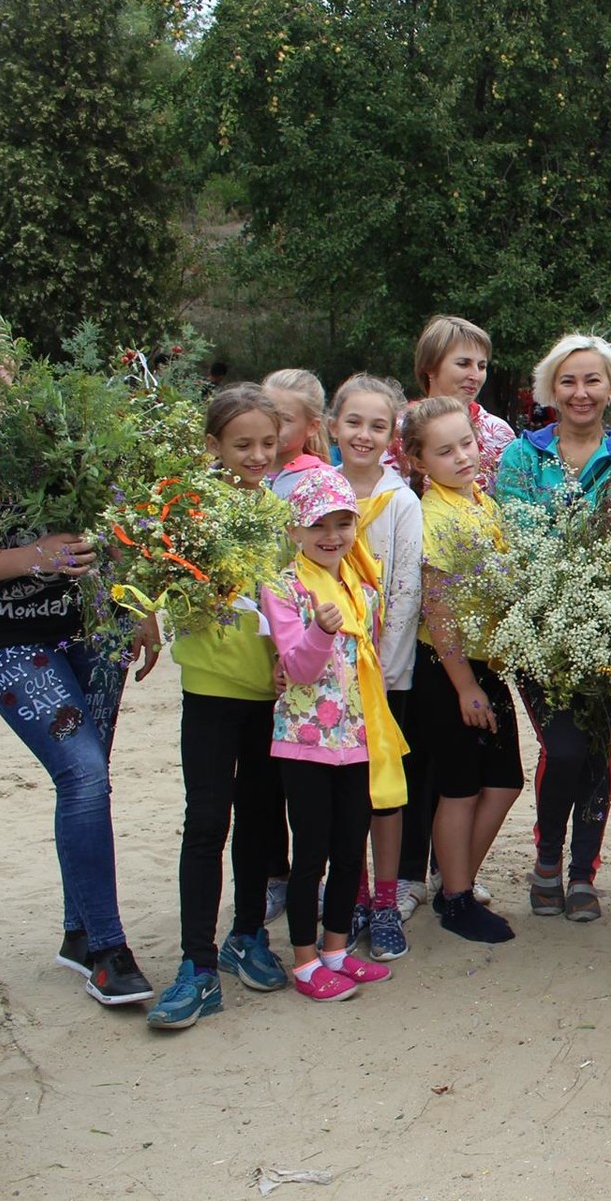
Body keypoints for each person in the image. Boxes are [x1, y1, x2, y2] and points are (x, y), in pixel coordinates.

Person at [0, 301, 157, 1007]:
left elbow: (112, 519)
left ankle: (80, 934)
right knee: (82, 775)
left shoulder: (60, 425)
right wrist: (30, 556)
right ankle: (108, 948)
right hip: (8, 639)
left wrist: (135, 607)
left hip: (93, 627)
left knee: (89, 779)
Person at [145, 386, 294, 1028]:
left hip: (270, 696)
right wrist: (143, 619)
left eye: (268, 443)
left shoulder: (278, 512)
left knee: (262, 823)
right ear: (213, 447)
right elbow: (146, 571)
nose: (258, 455)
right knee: (206, 823)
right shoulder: (184, 509)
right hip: (208, 693)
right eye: (243, 445)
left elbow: (291, 593)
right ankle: (196, 965)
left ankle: (248, 936)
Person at [496, 334, 611, 923]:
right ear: (549, 390)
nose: (581, 392)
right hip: (538, 627)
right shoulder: (520, 457)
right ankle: (545, 858)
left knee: (595, 750)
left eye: (593, 380)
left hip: (607, 632)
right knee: (561, 748)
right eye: (568, 381)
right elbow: (516, 536)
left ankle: (581, 872)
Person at [258, 465, 401, 1003]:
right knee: (312, 851)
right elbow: (296, 668)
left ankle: (338, 951)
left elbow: (368, 658)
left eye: (343, 523)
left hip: (358, 738)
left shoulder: (361, 586)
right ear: (295, 530)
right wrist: (320, 628)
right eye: (318, 524)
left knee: (349, 850)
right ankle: (303, 961)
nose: (331, 535)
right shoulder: (283, 586)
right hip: (306, 742)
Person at [406, 398, 521, 943]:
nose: (462, 456)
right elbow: (439, 609)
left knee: (502, 782)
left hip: (485, 663)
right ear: (419, 461)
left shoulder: (479, 501)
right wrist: (465, 686)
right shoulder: (435, 515)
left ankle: (457, 883)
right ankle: (455, 898)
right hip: (448, 668)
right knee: (460, 788)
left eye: (467, 444)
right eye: (444, 450)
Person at [330, 375, 423, 961]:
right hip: (324, 680)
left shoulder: (401, 501)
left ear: (393, 437)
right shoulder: (310, 490)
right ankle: (353, 894)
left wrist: (384, 673)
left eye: (378, 426)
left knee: (385, 794)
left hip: (385, 675)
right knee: (342, 797)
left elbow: (407, 590)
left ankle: (386, 901)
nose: (365, 435)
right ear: (333, 425)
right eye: (354, 423)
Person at [385, 315, 516, 495]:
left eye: (482, 366)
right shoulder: (395, 430)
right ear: (430, 367)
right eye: (463, 364)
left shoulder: (500, 433)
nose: (475, 375)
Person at [263, 368, 330, 501]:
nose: (272, 424)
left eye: (285, 419)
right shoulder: (234, 469)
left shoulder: (322, 483)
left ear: (312, 427)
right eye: (266, 413)